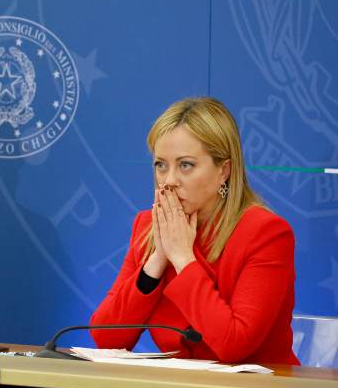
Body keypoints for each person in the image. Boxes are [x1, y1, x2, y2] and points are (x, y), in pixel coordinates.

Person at [90, 97, 298, 364]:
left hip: (259, 387)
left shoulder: (266, 233)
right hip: (179, 387)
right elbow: (106, 338)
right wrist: (158, 259)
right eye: (160, 165)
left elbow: (234, 345)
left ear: (224, 170)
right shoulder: (148, 226)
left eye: (185, 165)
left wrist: (182, 258)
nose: (169, 181)